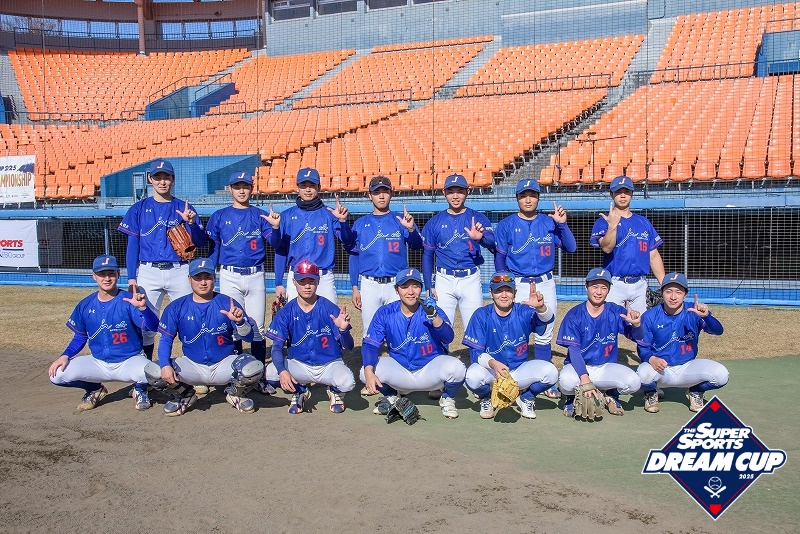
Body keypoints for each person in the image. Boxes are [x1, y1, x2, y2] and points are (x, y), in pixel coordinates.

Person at [143, 258, 264, 416]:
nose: (203, 282)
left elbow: (248, 338)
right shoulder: (176, 307)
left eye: (207, 277)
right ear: (189, 279)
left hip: (224, 364)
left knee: (255, 367)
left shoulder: (228, 303)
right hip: (193, 365)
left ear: (214, 278)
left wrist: (240, 322)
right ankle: (185, 395)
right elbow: (166, 340)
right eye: (198, 278)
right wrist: (165, 365)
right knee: (153, 371)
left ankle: (235, 393)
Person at [494, 178, 576, 399]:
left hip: (545, 282)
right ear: (517, 198)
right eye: (523, 195)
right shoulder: (506, 224)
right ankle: (508, 378)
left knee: (544, 331)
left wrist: (562, 224)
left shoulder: (549, 222)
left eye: (532, 195)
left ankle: (544, 379)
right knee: (512, 331)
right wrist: (504, 285)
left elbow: (571, 247)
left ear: (538, 198)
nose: (528, 199)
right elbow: (500, 257)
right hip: (518, 283)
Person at [117, 158, 206, 360]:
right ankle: (145, 368)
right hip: (148, 271)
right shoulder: (138, 208)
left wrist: (191, 223)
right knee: (145, 325)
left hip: (179, 270)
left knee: (189, 320)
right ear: (150, 179)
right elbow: (133, 245)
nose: (162, 181)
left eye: (166, 177)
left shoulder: (184, 207)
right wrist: (131, 277)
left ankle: (196, 367)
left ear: (173, 179)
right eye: (158, 177)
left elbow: (200, 242)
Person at [48, 255, 158, 411]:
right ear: (94, 276)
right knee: (57, 374)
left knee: (156, 373)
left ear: (118, 274)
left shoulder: (129, 300)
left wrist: (144, 309)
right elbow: (80, 336)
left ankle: (140, 389)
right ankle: (94, 389)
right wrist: (65, 355)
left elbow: (152, 327)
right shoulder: (85, 304)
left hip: (129, 361)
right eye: (102, 274)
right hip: (98, 362)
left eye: (111, 273)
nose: (107, 278)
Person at [361, 268, 466, 419]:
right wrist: (369, 372)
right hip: (400, 372)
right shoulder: (385, 312)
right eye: (404, 287)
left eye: (415, 286)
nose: (410, 292)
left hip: (430, 372)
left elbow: (448, 338)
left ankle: (447, 398)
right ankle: (391, 395)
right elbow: (370, 345)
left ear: (421, 289)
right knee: (365, 371)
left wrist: (433, 316)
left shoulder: (431, 310)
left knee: (457, 368)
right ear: (396, 290)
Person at [205, 170, 275, 394]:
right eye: (237, 186)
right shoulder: (220, 215)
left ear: (252, 188)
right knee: (233, 325)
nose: (241, 190)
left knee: (257, 328)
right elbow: (213, 247)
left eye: (245, 186)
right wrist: (209, 273)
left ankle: (258, 377)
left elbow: (275, 243)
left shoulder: (260, 215)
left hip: (255, 275)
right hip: (229, 275)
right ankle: (235, 375)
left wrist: (275, 228)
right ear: (230, 189)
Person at [462, 271, 557, 419]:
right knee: (472, 376)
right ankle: (486, 398)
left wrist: (541, 308)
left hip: (518, 370)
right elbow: (476, 353)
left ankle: (526, 398)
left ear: (515, 293)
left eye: (508, 290)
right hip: (492, 372)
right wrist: (493, 364)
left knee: (551, 373)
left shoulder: (523, 311)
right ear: (491, 293)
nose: (504, 295)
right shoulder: (481, 315)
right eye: (499, 290)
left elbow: (547, 320)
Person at [264, 261, 356, 414]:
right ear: (294, 282)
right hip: (299, 365)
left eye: (311, 280)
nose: (307, 286)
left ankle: (334, 392)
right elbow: (276, 348)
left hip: (329, 364)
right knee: (271, 372)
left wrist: (343, 330)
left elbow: (350, 346)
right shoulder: (286, 312)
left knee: (347, 382)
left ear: (318, 281)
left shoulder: (329, 308)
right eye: (302, 281)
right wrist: (283, 372)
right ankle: (300, 391)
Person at [556, 268, 643, 418]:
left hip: (605, 367)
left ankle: (610, 395)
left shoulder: (616, 311)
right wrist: (585, 379)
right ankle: (571, 397)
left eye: (604, 288)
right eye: (595, 287)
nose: (599, 292)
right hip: (579, 367)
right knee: (565, 381)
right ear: (586, 287)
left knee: (634, 382)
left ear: (609, 290)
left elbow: (638, 337)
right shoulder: (574, 315)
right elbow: (574, 351)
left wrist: (636, 325)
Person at [635, 272, 728, 413]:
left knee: (721, 375)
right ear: (662, 292)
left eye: (678, 292)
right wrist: (651, 359)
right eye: (668, 291)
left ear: (685, 294)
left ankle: (695, 391)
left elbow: (718, 331)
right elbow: (642, 347)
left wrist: (707, 316)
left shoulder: (694, 311)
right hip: (661, 370)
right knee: (642, 375)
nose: (673, 297)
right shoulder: (650, 316)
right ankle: (651, 392)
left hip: (687, 367)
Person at [266, 167, 353, 304]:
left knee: (330, 316)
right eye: (303, 185)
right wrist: (278, 283)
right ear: (297, 187)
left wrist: (342, 222)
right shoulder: (287, 216)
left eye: (312, 185)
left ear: (319, 187)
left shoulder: (330, 214)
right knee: (295, 317)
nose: (308, 189)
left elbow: (347, 240)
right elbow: (280, 249)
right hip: (297, 277)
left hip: (323, 277)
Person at [348, 175, 423, 334]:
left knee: (399, 329)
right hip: (369, 284)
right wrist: (355, 287)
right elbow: (354, 256)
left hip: (397, 283)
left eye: (385, 191)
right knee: (370, 330)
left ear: (391, 193)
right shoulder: (360, 223)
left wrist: (411, 229)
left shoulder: (401, 220)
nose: (381, 196)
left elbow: (417, 246)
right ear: (370, 195)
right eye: (376, 192)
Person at [421, 173, 495, 331]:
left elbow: (491, 242)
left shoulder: (477, 218)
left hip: (470, 278)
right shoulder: (434, 222)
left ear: (468, 192)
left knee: (475, 328)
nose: (455, 196)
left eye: (460, 191)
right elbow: (427, 255)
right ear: (444, 193)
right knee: (441, 328)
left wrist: (480, 238)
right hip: (444, 279)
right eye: (451, 191)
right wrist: (428, 285)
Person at [590, 175, 665, 314]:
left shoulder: (643, 222)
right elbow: (607, 248)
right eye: (618, 191)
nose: (623, 195)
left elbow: (653, 255)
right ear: (611, 194)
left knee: (640, 324)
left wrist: (664, 283)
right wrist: (612, 226)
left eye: (626, 191)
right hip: (615, 283)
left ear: (632, 193)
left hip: (640, 284)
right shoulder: (603, 221)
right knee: (612, 322)